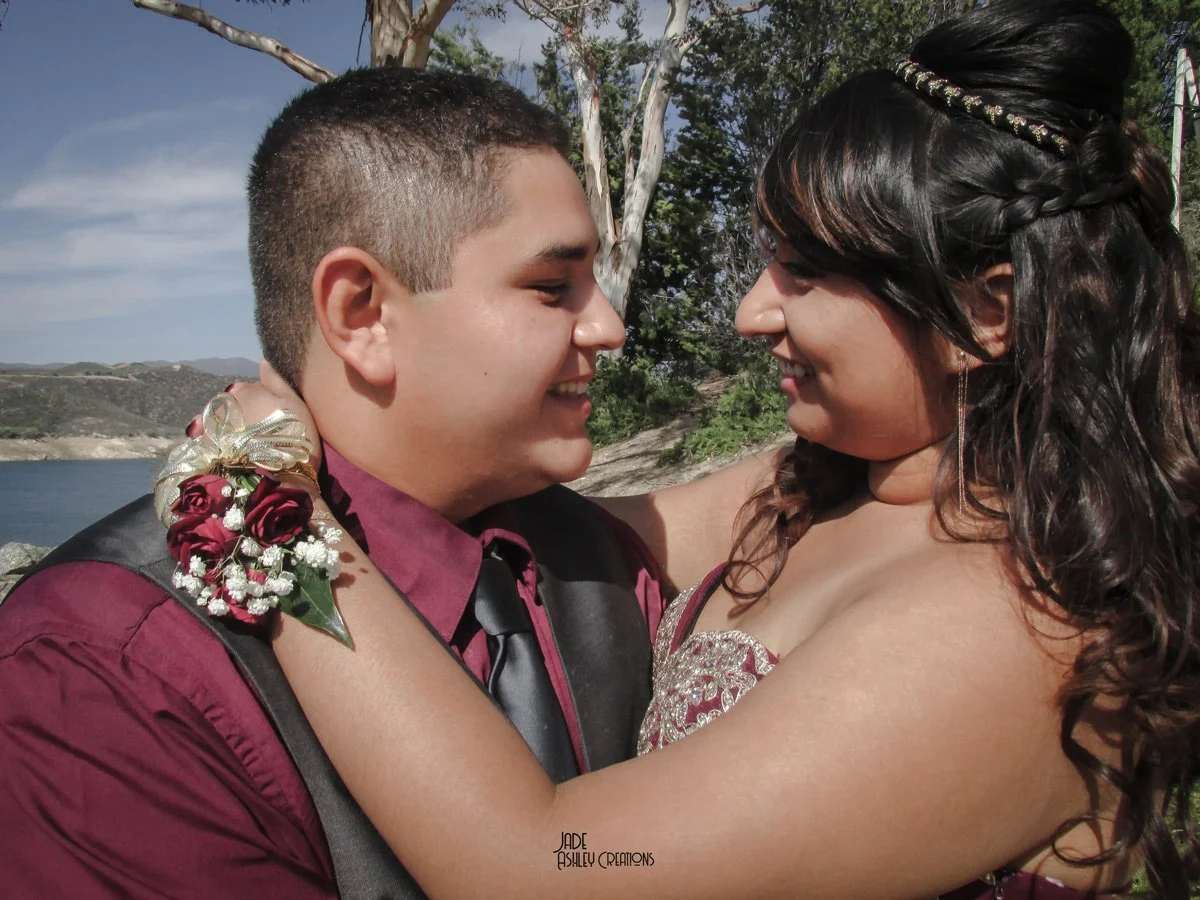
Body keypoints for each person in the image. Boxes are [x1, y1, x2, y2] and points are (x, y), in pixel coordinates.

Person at [223, 1, 1200, 897]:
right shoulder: (818, 487)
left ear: (987, 312)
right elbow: (498, 524)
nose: (750, 311)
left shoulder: (1010, 632)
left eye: (807, 272)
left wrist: (261, 528)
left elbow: (545, 866)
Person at [0, 69, 674, 898]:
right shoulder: (104, 674)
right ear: (361, 314)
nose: (609, 325)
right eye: (550, 286)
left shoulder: (606, 557)